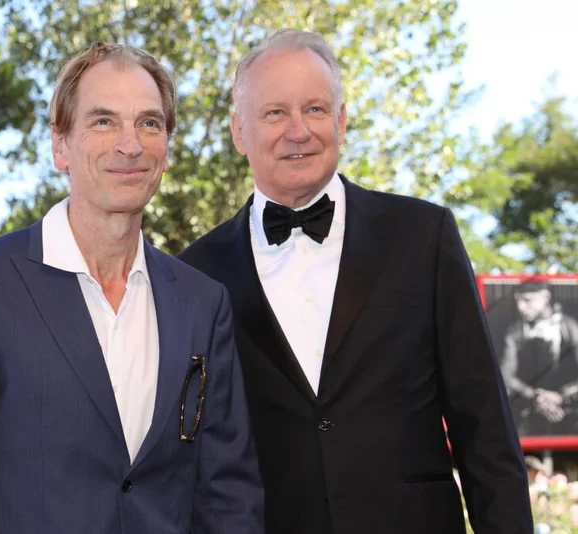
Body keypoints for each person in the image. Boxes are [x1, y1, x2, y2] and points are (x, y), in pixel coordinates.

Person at [179, 29, 532, 533]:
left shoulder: (424, 236)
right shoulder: (195, 272)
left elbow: (485, 428)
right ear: (239, 131)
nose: (298, 130)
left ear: (341, 120)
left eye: (316, 109)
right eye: (275, 113)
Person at [0, 41, 264, 534]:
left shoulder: (202, 301)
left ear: (166, 146)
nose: (130, 144)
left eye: (149, 123)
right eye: (103, 121)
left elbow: (228, 495)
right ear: (60, 145)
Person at [501, 281, 578, 435]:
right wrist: (535, 396)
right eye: (518, 301)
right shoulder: (515, 332)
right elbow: (506, 375)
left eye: (527, 300)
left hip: (571, 411)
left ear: (546, 297)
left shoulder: (570, 327)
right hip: (528, 411)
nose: (521, 307)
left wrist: (562, 397)